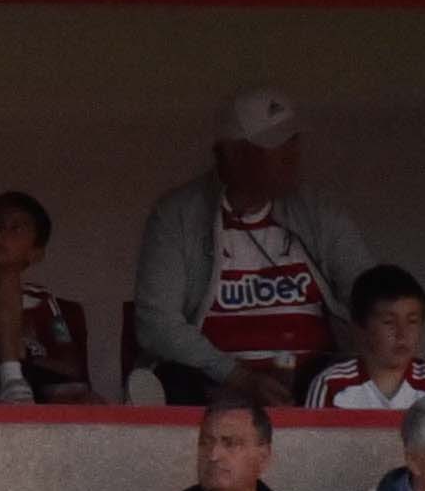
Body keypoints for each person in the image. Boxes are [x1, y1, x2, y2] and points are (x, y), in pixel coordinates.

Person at [135, 87, 370, 404]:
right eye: (275, 143)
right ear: (232, 154)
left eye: (293, 140)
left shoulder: (318, 211)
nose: (291, 154)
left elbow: (371, 295)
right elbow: (157, 324)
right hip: (215, 382)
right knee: (173, 381)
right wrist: (237, 376)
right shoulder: (178, 215)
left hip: (314, 380)